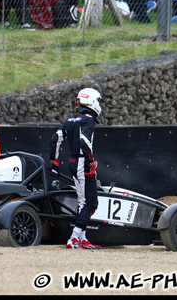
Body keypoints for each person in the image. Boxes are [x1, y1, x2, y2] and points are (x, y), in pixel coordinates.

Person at [49, 87, 103, 250]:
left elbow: (55, 139)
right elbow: (84, 141)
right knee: (91, 203)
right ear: (92, 101)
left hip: (72, 162)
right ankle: (74, 237)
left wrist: (55, 163)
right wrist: (91, 161)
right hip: (83, 163)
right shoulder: (88, 119)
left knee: (83, 201)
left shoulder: (71, 119)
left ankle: (82, 238)